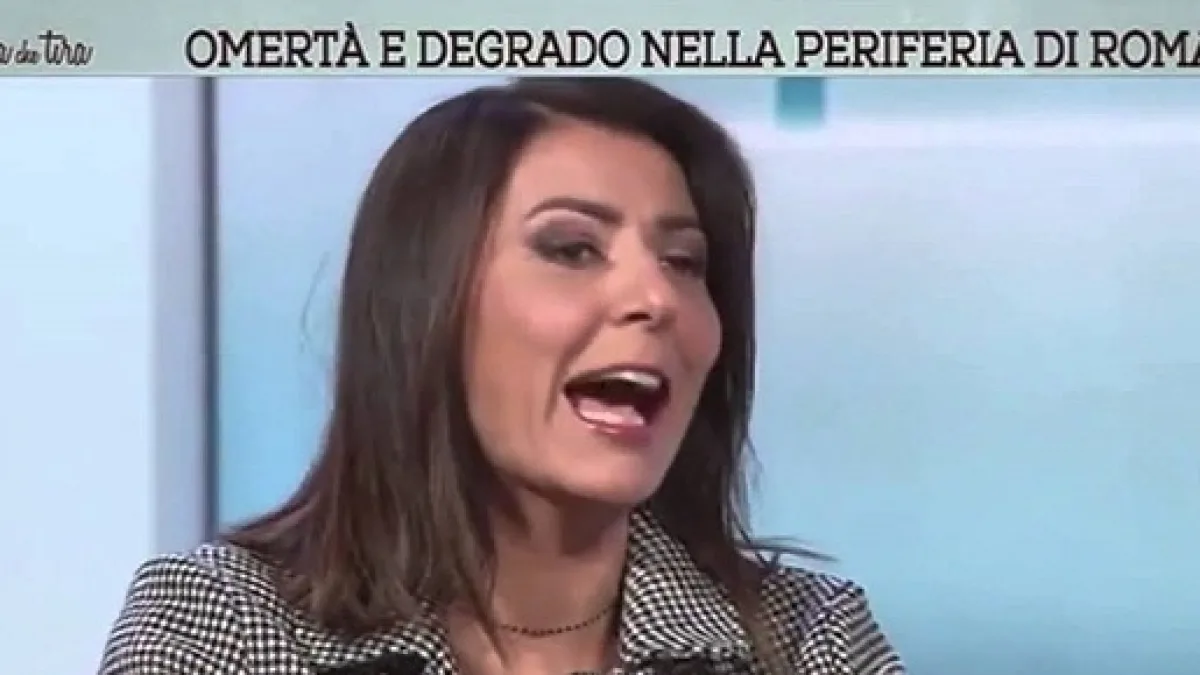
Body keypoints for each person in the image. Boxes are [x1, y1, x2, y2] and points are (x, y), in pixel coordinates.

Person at [99, 77, 905, 675]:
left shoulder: (808, 639)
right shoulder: (224, 623)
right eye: (573, 249)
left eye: (684, 261)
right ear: (428, 303)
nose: (657, 298)